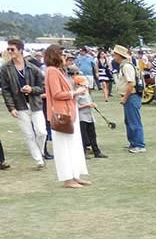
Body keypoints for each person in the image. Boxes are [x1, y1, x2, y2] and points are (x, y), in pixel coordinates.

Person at [43, 44, 91, 189]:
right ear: (55, 55)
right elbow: (57, 94)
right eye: (62, 54)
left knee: (73, 145)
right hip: (61, 113)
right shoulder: (52, 71)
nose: (65, 57)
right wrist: (75, 93)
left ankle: (75, 175)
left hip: (70, 111)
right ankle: (67, 178)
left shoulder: (60, 71)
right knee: (63, 147)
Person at [1, 39, 48, 169]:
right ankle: (39, 160)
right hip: (19, 105)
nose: (10, 51)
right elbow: (5, 90)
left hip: (35, 104)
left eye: (12, 49)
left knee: (42, 132)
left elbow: (43, 87)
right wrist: (11, 108)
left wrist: (32, 89)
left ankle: (41, 152)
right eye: (8, 49)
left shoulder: (33, 67)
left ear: (20, 50)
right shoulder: (5, 68)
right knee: (28, 135)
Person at [112, 44, 146, 153]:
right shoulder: (125, 65)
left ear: (119, 55)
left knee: (134, 121)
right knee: (129, 121)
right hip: (130, 97)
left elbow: (131, 84)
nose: (114, 56)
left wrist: (125, 98)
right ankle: (133, 143)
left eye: (115, 54)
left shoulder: (126, 67)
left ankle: (139, 145)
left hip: (131, 97)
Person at [74, 74, 107, 159]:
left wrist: (92, 104)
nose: (84, 86)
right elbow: (75, 107)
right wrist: (87, 105)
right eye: (82, 84)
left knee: (93, 135)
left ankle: (97, 152)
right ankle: (84, 152)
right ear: (77, 85)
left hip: (90, 117)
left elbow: (89, 101)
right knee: (84, 136)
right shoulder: (77, 94)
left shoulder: (86, 92)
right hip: (82, 118)